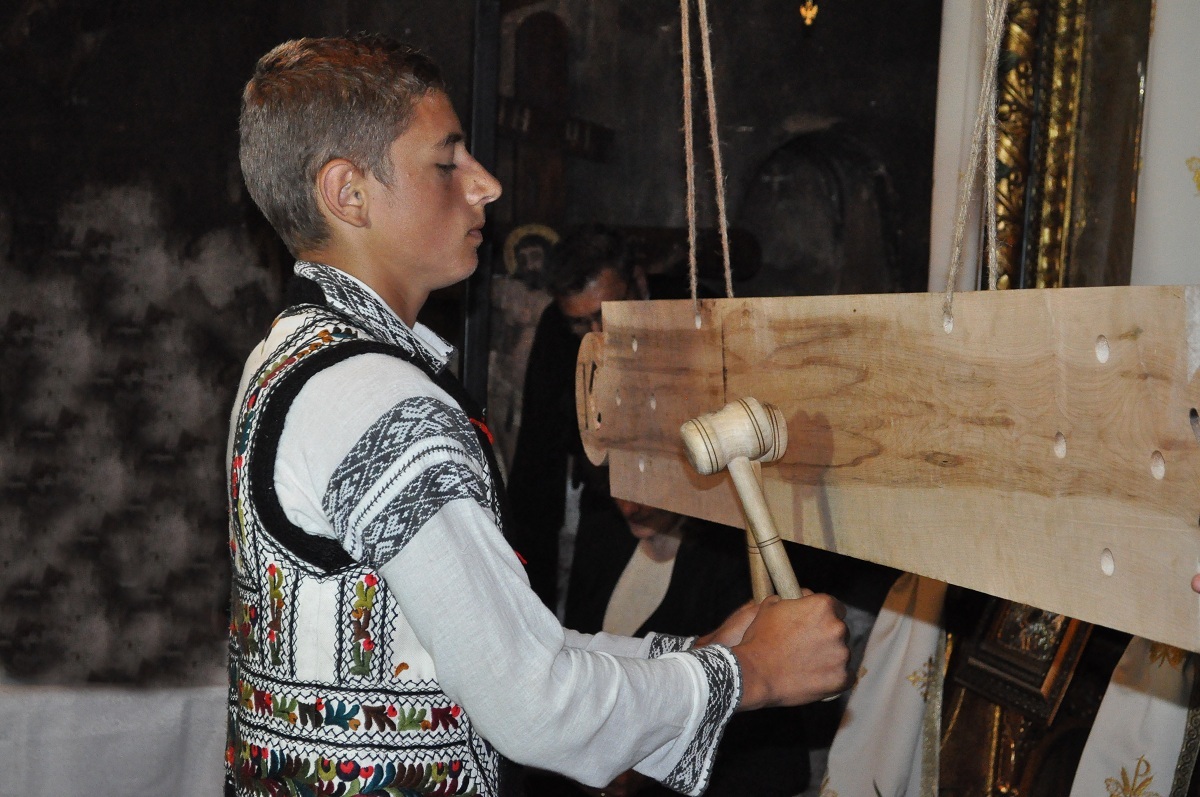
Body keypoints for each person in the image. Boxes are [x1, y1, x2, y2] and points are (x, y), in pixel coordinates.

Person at [226, 34, 850, 797]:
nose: (485, 184)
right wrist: (746, 675)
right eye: (447, 161)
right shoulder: (377, 399)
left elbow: (503, 650)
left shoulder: (292, 355)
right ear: (348, 192)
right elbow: (532, 702)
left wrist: (697, 652)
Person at [507, 225, 665, 614]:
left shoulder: (693, 312)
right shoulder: (556, 329)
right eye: (580, 324)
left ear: (639, 283)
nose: (597, 335)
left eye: (607, 314)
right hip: (606, 507)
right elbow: (537, 457)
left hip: (692, 518)